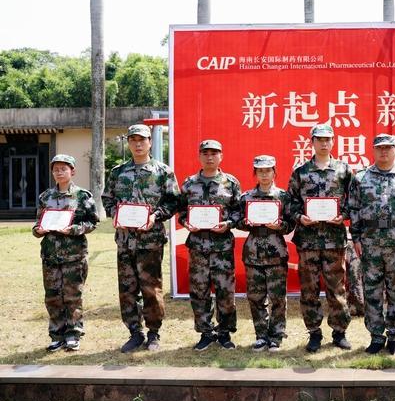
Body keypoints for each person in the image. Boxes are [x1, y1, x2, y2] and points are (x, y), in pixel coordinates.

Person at [102, 124, 180, 353]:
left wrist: (156, 216)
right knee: (127, 289)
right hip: (125, 240)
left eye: (142, 140)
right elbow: (107, 198)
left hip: (151, 240)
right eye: (133, 140)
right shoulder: (117, 172)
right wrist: (115, 214)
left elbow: (174, 201)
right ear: (128, 143)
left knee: (151, 288)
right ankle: (135, 333)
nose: (138, 144)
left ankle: (154, 333)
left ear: (149, 142)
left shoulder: (163, 172)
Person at [348, 134, 395, 354]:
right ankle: (376, 337)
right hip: (369, 241)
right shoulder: (361, 178)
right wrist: (356, 238)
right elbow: (354, 209)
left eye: (388, 148)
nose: (384, 152)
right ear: (373, 150)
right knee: (372, 291)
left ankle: (394, 337)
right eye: (380, 148)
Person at [288, 123, 352, 352]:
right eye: (319, 139)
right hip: (308, 241)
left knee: (337, 288)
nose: (324, 143)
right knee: (309, 289)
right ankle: (314, 333)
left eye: (328, 139)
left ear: (333, 142)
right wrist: (300, 217)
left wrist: (344, 215)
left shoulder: (344, 170)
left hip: (334, 240)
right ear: (312, 142)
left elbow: (354, 200)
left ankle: (339, 332)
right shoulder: (301, 171)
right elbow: (290, 202)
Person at [178, 139, 242, 351]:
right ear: (199, 156)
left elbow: (239, 212)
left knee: (226, 291)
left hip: (222, 248)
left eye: (214, 153)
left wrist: (228, 224)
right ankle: (205, 332)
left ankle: (224, 333)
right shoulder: (189, 184)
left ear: (221, 156)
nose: (209, 157)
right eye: (205, 153)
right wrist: (186, 223)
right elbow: (181, 212)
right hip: (198, 247)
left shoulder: (230, 183)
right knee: (199, 292)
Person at [33, 154, 99, 352]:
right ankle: (57, 335)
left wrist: (74, 229)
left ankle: (73, 334)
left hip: (74, 255)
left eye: (64, 168)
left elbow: (92, 222)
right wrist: (38, 230)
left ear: (73, 171)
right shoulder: (45, 197)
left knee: (72, 296)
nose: (59, 172)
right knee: (52, 296)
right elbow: (37, 224)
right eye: (56, 169)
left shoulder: (82, 196)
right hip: (50, 255)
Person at [238, 155, 295, 352]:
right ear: (255, 173)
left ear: (274, 172)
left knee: (277, 297)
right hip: (253, 253)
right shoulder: (246, 197)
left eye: (268, 170)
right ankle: (261, 335)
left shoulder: (283, 197)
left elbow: (291, 224)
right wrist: (246, 222)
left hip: (276, 252)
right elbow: (238, 221)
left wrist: (280, 226)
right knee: (256, 297)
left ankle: (276, 335)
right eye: (260, 171)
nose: (264, 174)